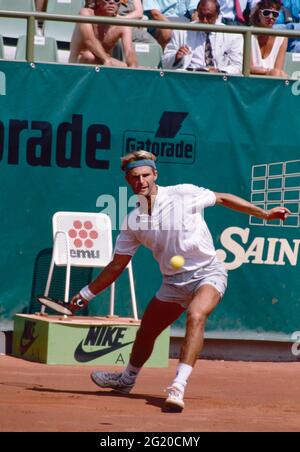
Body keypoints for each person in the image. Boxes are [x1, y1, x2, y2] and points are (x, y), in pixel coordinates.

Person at [68, 150, 290, 412]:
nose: (141, 181)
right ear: (128, 181)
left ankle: (177, 386)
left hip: (208, 272)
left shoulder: (183, 193)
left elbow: (222, 198)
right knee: (146, 332)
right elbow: (117, 264)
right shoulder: (133, 221)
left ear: (155, 174)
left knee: (196, 316)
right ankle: (126, 379)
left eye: (146, 175)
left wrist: (263, 214)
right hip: (173, 283)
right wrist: (86, 294)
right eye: (135, 177)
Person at [162, 0, 243, 75]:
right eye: (201, 16)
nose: (205, 21)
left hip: (219, 80)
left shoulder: (232, 35)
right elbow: (165, 62)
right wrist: (176, 57)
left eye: (209, 16)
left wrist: (220, 71)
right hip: (190, 78)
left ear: (218, 15)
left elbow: (238, 66)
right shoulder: (181, 32)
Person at [69, 0, 137, 67]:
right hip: (77, 67)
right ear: (98, 1)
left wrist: (133, 68)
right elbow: (89, 40)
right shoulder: (85, 13)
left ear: (119, 4)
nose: (112, 2)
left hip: (104, 67)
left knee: (141, 69)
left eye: (116, 0)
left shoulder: (122, 25)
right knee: (89, 56)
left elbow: (129, 52)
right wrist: (106, 60)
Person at [250, 0, 288, 76]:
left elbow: (278, 68)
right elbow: (248, 67)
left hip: (271, 80)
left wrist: (270, 72)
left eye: (275, 14)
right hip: (250, 80)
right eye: (266, 13)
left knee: (280, 74)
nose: (271, 17)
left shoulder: (282, 38)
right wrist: (268, 71)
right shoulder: (248, 34)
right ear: (259, 13)